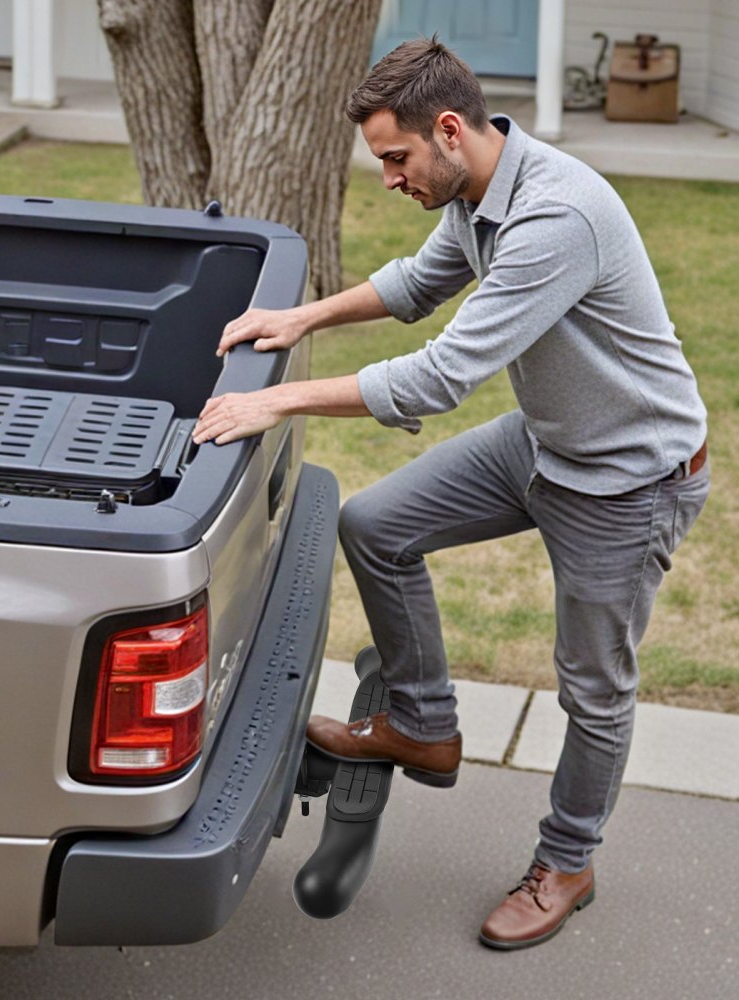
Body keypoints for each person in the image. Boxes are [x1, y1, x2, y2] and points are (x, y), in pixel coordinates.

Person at [191, 37, 710, 950]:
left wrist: (275, 400)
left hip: (627, 480)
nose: (390, 179)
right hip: (547, 440)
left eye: (396, 158)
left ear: (448, 130)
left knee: (592, 691)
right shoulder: (477, 192)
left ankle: (567, 863)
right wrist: (302, 316)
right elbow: (418, 283)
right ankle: (424, 727)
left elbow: (438, 378)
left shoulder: (556, 217)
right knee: (375, 524)